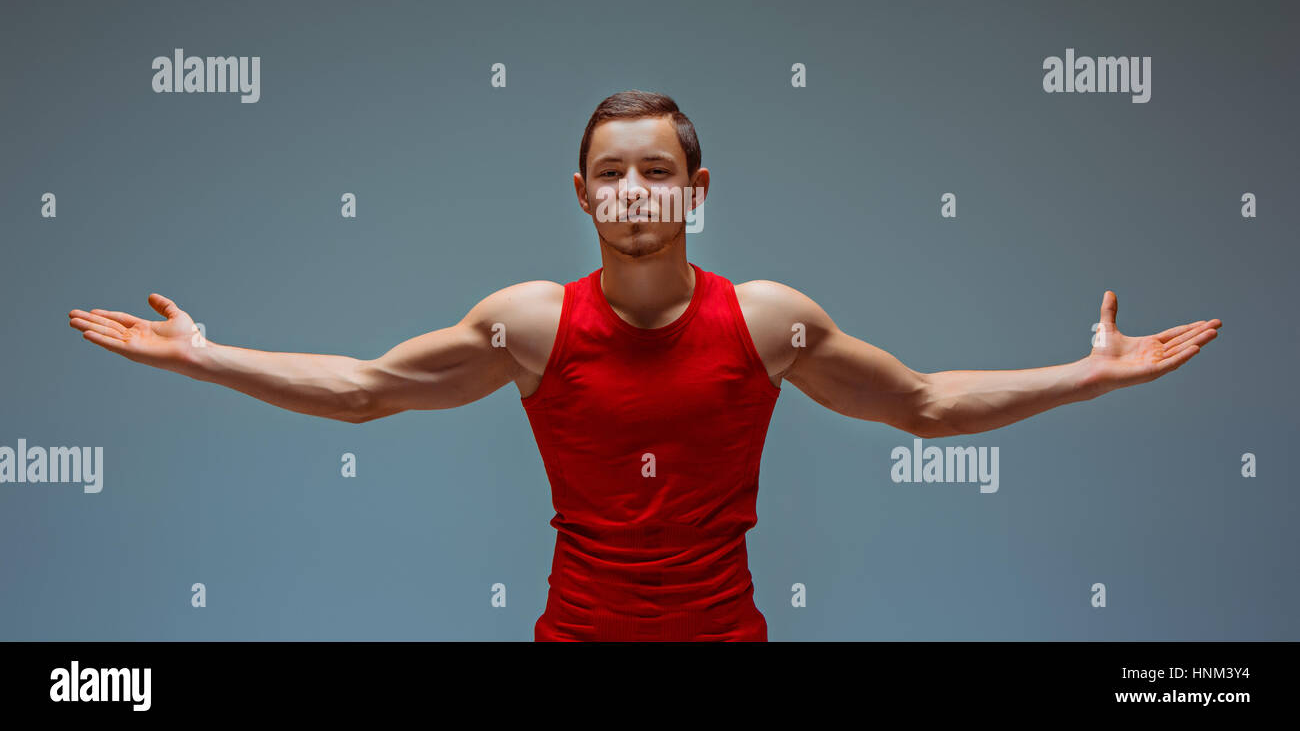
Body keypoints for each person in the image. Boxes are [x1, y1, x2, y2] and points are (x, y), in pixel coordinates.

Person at [67, 90, 1222, 641]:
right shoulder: (527, 323)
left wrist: (1093, 374)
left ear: (694, 191)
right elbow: (368, 390)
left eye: (655, 169)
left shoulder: (769, 322)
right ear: (582, 194)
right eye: (609, 172)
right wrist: (202, 354)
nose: (632, 189)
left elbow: (921, 405)